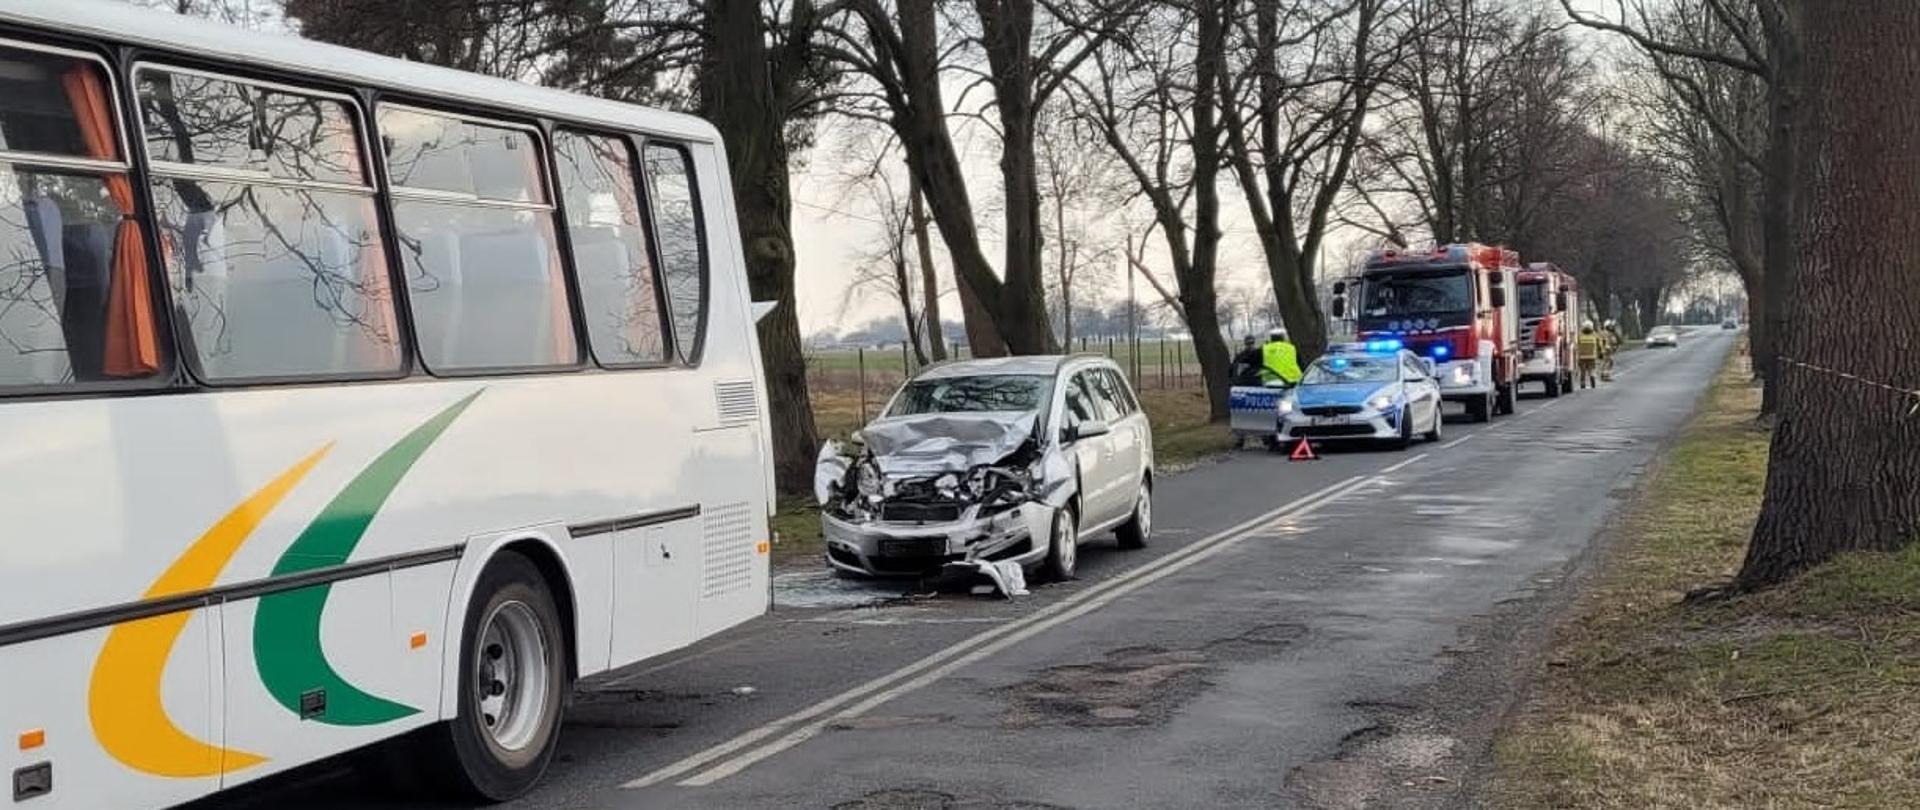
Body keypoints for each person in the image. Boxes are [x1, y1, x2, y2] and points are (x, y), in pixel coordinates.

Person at [1575, 321, 1601, 389]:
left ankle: (1582, 384)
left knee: (1582, 372)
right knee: (1591, 370)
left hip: (1582, 357)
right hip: (1592, 357)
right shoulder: (1594, 335)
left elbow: (1577, 345)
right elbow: (1599, 345)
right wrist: (1600, 353)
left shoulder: (1580, 336)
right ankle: (1592, 380)